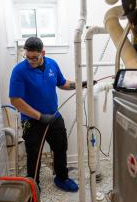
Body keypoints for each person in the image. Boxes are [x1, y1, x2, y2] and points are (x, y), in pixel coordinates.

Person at [9, 37, 89, 192]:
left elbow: (63, 83)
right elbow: (15, 100)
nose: (31, 60)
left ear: (43, 53)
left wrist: (80, 84)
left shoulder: (52, 64)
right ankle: (33, 185)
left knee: (61, 147)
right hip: (31, 120)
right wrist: (39, 116)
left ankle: (61, 178)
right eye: (28, 57)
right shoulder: (19, 71)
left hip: (54, 116)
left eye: (35, 57)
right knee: (34, 153)